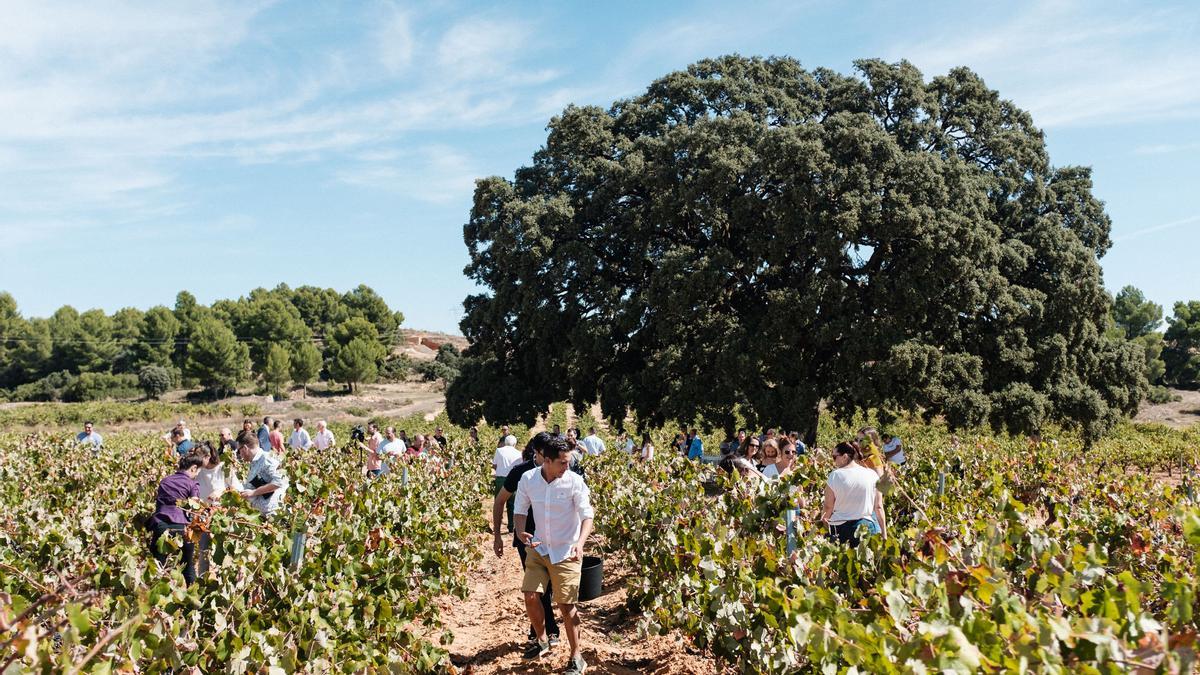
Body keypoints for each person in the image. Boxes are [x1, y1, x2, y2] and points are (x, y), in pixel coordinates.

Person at [513, 435, 593, 674]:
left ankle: (576, 657)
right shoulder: (528, 479)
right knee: (530, 596)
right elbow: (520, 509)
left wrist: (580, 543)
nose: (567, 467)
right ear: (546, 460)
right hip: (539, 548)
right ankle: (542, 640)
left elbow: (587, 515)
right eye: (563, 463)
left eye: (568, 462)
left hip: (566, 551)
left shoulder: (575, 482)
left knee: (566, 606)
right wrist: (520, 531)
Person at [493, 436, 560, 649]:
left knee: (547, 587)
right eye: (547, 454)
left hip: (554, 537)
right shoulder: (520, 472)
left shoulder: (559, 470)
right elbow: (500, 501)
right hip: (527, 538)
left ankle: (538, 631)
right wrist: (497, 535)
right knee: (537, 588)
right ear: (538, 453)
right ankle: (549, 631)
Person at [149, 453, 203, 585]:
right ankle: (194, 601)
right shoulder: (192, 484)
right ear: (193, 468)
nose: (197, 475)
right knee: (188, 567)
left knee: (158, 567)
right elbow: (194, 506)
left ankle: (155, 601)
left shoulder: (165, 481)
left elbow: (159, 506)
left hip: (162, 526)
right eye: (197, 472)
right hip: (182, 528)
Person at [821, 441, 887, 547]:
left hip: (840, 530)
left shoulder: (835, 476)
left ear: (844, 457)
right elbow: (878, 507)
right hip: (865, 528)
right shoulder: (872, 475)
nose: (834, 461)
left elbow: (828, 507)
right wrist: (884, 534)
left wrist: (822, 528)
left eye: (834, 457)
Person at [236, 431, 288, 517]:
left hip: (272, 514)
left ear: (245, 448)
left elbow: (279, 482)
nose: (239, 454)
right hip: (262, 513)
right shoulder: (254, 462)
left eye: (239, 450)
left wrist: (254, 492)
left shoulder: (267, 459)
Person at [493, 435, 523, 533]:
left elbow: (494, 465)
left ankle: (497, 525)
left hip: (500, 480)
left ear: (505, 442)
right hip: (513, 480)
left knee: (498, 503)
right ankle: (511, 527)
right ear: (515, 443)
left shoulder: (499, 451)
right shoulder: (519, 453)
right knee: (512, 504)